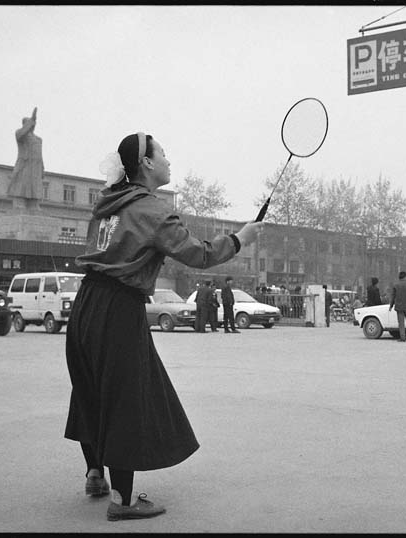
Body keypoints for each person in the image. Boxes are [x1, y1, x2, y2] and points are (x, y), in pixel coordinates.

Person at [64, 132, 262, 521]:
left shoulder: (107, 206)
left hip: (86, 303)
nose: (170, 161)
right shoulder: (150, 210)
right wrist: (239, 239)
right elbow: (198, 254)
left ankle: (94, 473)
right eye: (164, 154)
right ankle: (122, 501)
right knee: (126, 394)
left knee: (90, 385)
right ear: (148, 164)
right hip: (118, 306)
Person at [7, 107, 44, 205]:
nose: (32, 125)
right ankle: (20, 202)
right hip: (25, 163)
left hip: (36, 166)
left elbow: (40, 155)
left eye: (33, 124)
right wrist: (32, 120)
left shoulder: (38, 139)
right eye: (29, 123)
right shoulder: (20, 134)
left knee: (34, 185)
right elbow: (21, 134)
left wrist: (42, 168)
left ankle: (34, 204)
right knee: (22, 183)